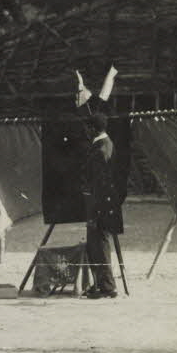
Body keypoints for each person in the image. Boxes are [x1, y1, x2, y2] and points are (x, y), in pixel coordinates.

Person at [81, 111, 119, 299]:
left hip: (100, 204)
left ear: (92, 128)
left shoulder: (101, 149)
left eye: (87, 128)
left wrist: (95, 211)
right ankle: (101, 284)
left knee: (99, 244)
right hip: (100, 203)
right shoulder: (104, 144)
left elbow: (100, 183)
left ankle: (107, 286)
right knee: (95, 244)